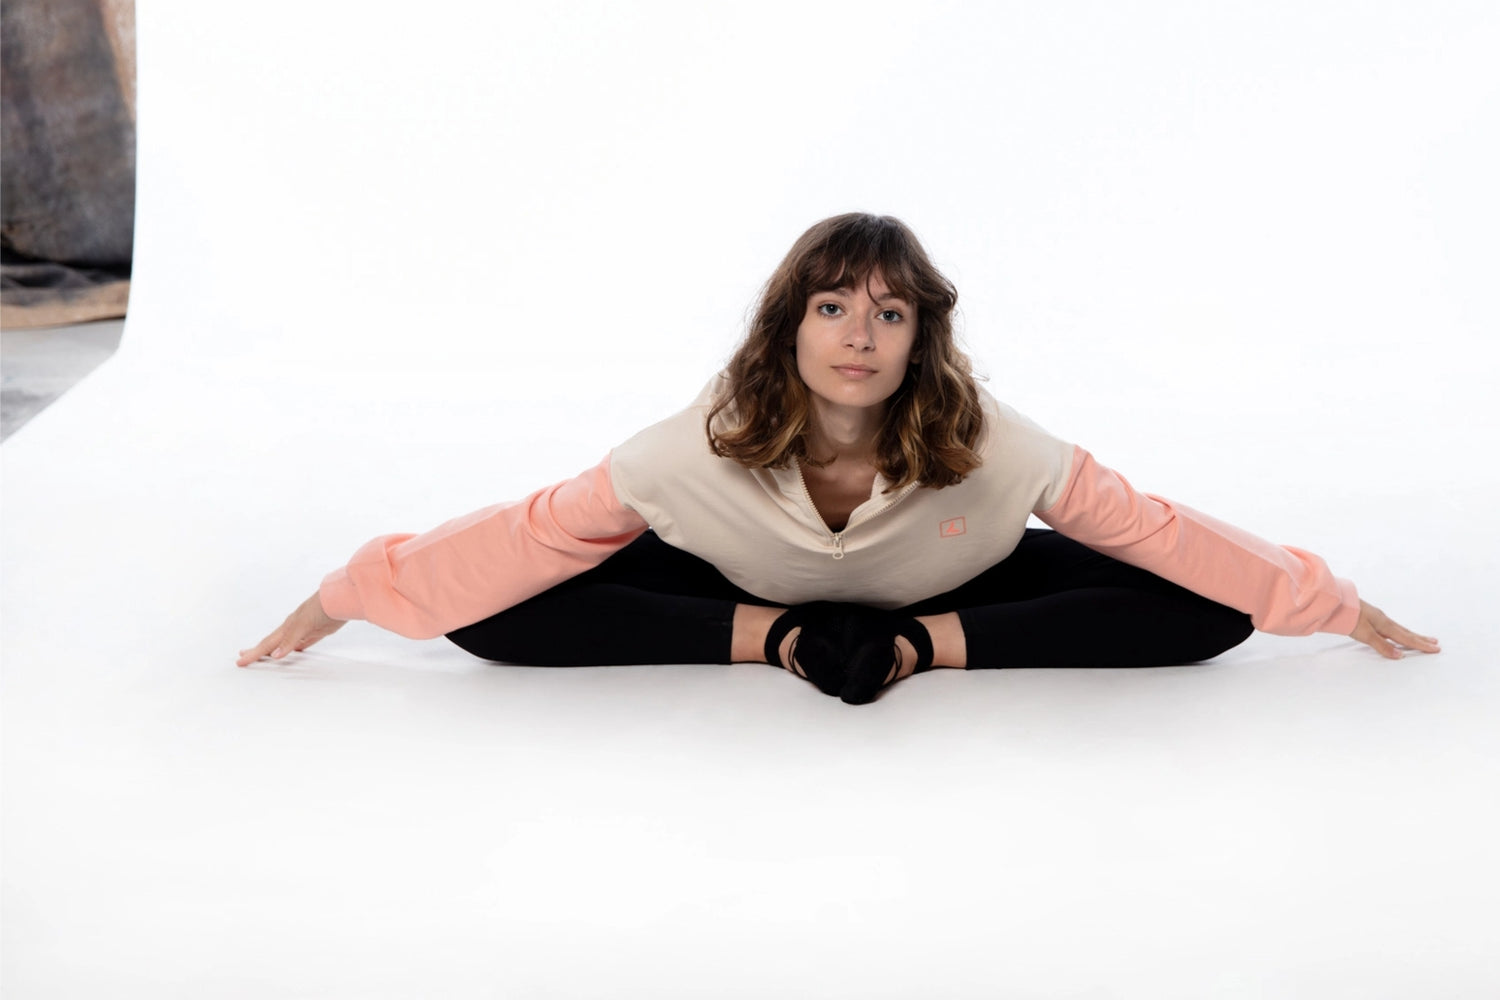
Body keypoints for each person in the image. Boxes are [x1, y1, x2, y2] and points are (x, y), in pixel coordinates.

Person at [237, 213, 1440, 703]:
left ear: (922, 334)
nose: (859, 335)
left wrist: (1321, 601)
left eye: (887, 312)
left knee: (1207, 615)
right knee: (492, 618)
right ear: (789, 326)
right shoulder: (688, 450)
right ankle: (787, 640)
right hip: (740, 590)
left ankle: (915, 650)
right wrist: (350, 592)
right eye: (831, 308)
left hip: (952, 586)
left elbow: (1158, 529)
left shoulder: (997, 446)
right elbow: (527, 532)